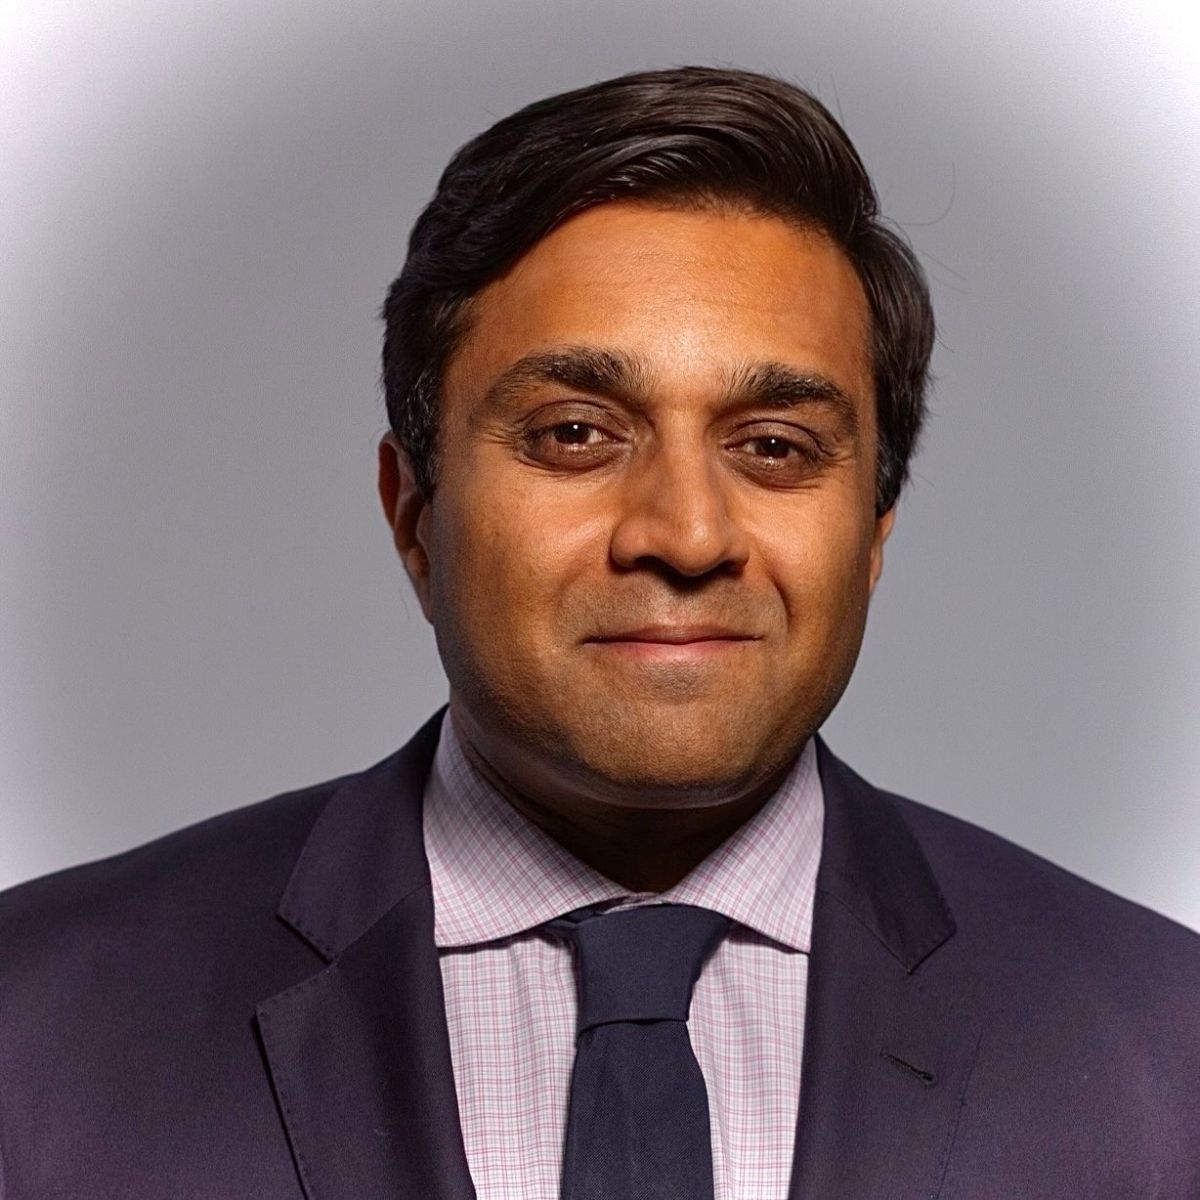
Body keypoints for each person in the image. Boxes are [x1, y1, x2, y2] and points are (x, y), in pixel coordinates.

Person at [0, 64, 1196, 1200]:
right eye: (577, 434)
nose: (685, 533)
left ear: (874, 531)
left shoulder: (1163, 1049)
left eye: (774, 445)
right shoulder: (35, 1025)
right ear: (415, 512)